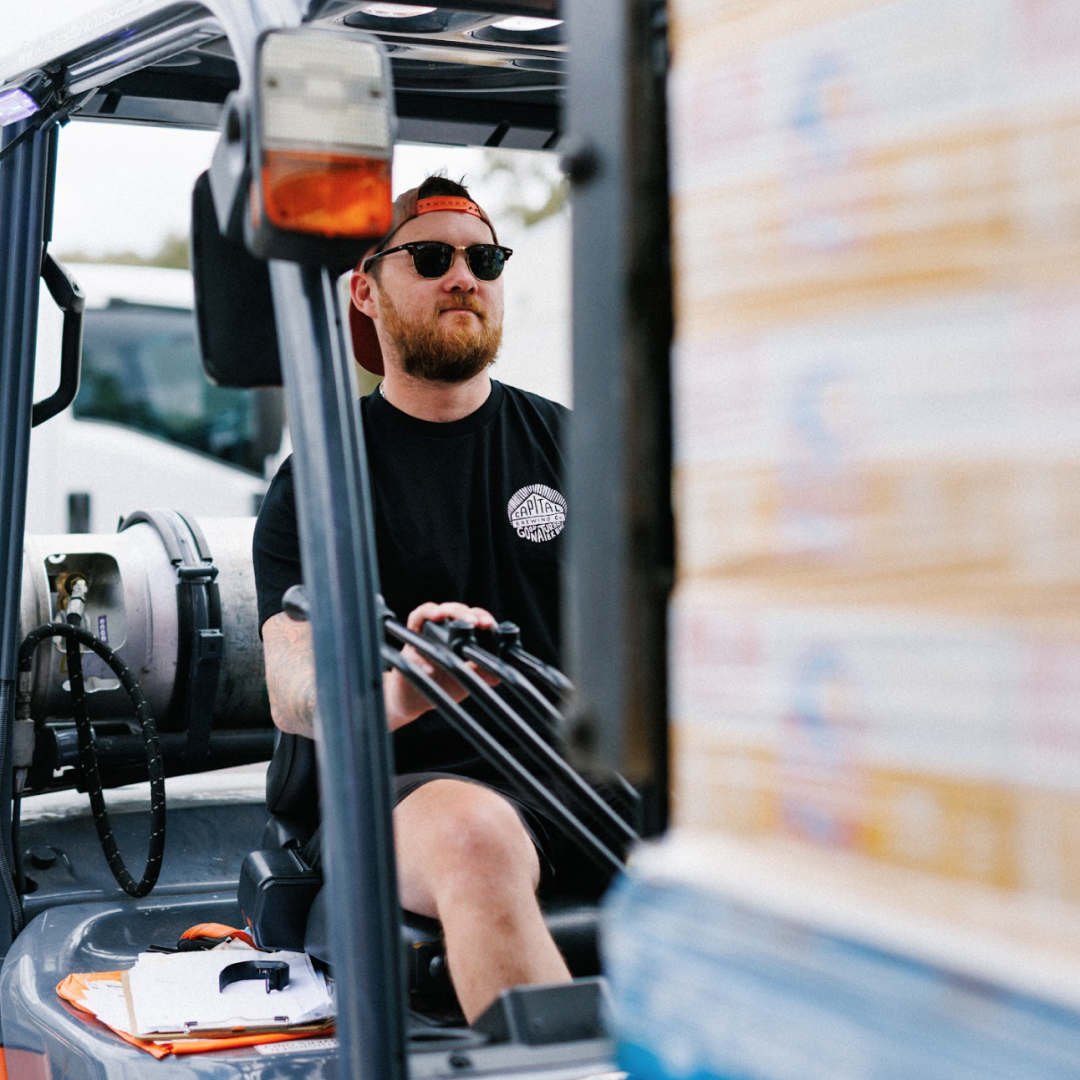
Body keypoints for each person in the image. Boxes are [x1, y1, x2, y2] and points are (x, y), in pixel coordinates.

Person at [253, 175, 579, 1024]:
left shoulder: (575, 445)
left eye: (484, 257)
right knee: (475, 836)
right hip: (403, 796)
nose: (463, 275)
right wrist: (412, 685)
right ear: (365, 288)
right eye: (431, 257)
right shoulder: (321, 479)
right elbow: (295, 692)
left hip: (583, 786)